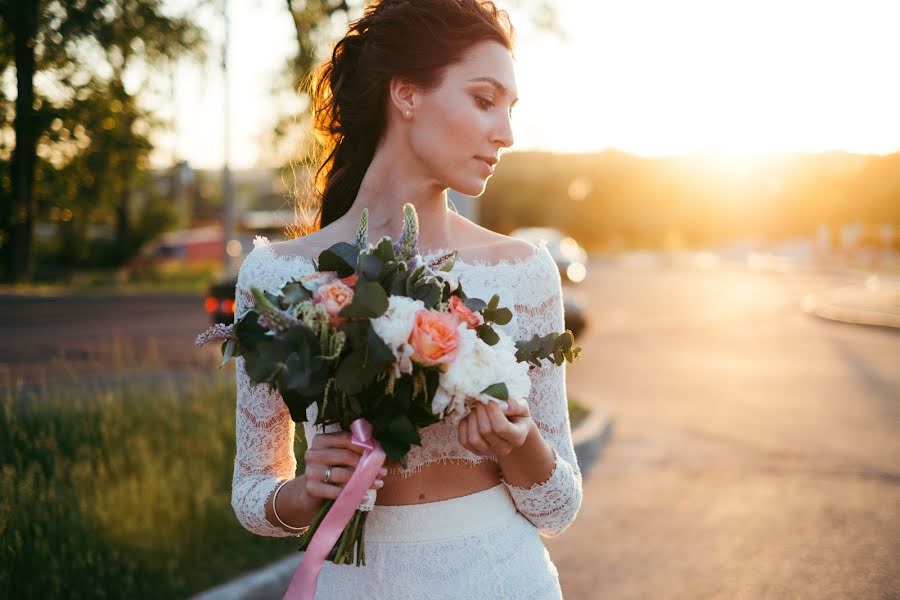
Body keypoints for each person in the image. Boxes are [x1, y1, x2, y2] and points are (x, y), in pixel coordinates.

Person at [231, 0, 582, 597]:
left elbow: (558, 505)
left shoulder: (522, 271)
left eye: (509, 108)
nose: (506, 133)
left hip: (499, 578)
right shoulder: (275, 277)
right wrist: (307, 488)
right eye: (482, 99)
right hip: (354, 582)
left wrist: (520, 443)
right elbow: (252, 492)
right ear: (407, 94)